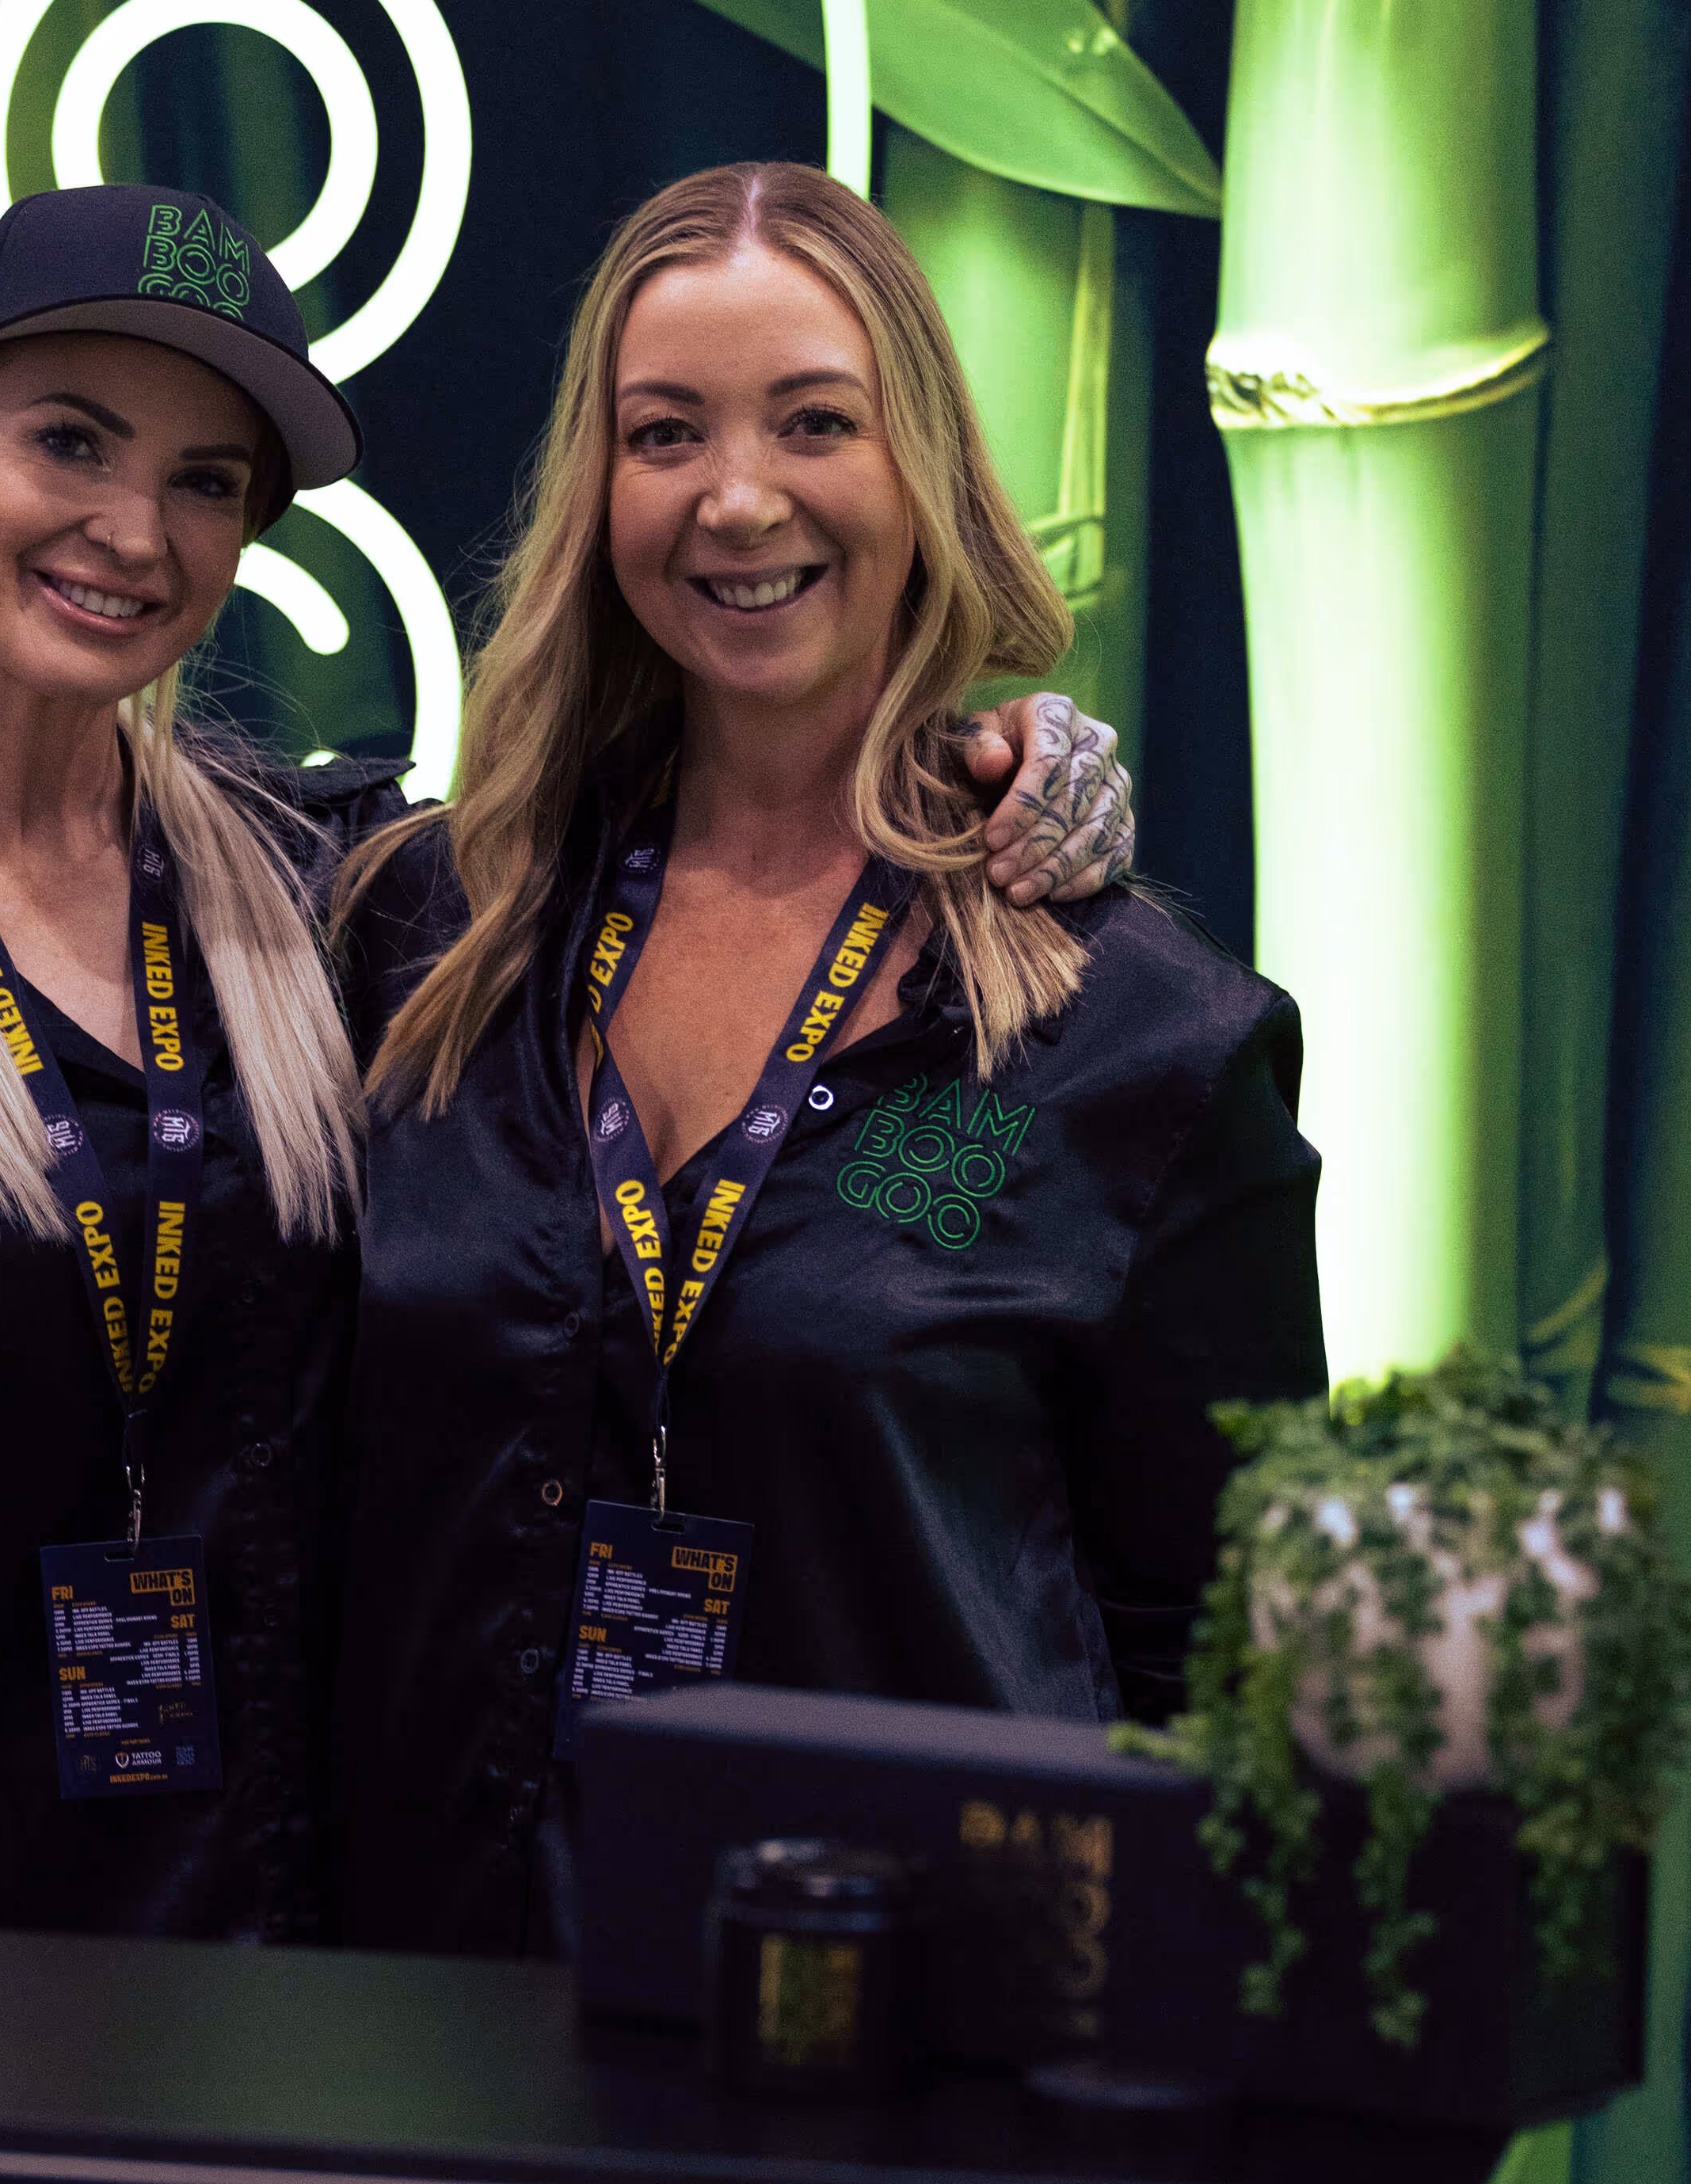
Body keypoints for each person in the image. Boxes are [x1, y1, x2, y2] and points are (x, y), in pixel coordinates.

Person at [0, 176, 1127, 1934]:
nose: (131, 532)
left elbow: (741, 802)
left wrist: (1000, 751)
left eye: (205, 483)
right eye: (70, 440)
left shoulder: (337, 906)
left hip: (312, 1988)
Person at [329, 159, 1324, 1962]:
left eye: (813, 421)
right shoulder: (423, 938)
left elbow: (1227, 1662)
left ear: (919, 467)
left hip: (910, 2062)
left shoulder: (1137, 1039)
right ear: (594, 489)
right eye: (662, 433)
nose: (734, 497)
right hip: (428, 2029)